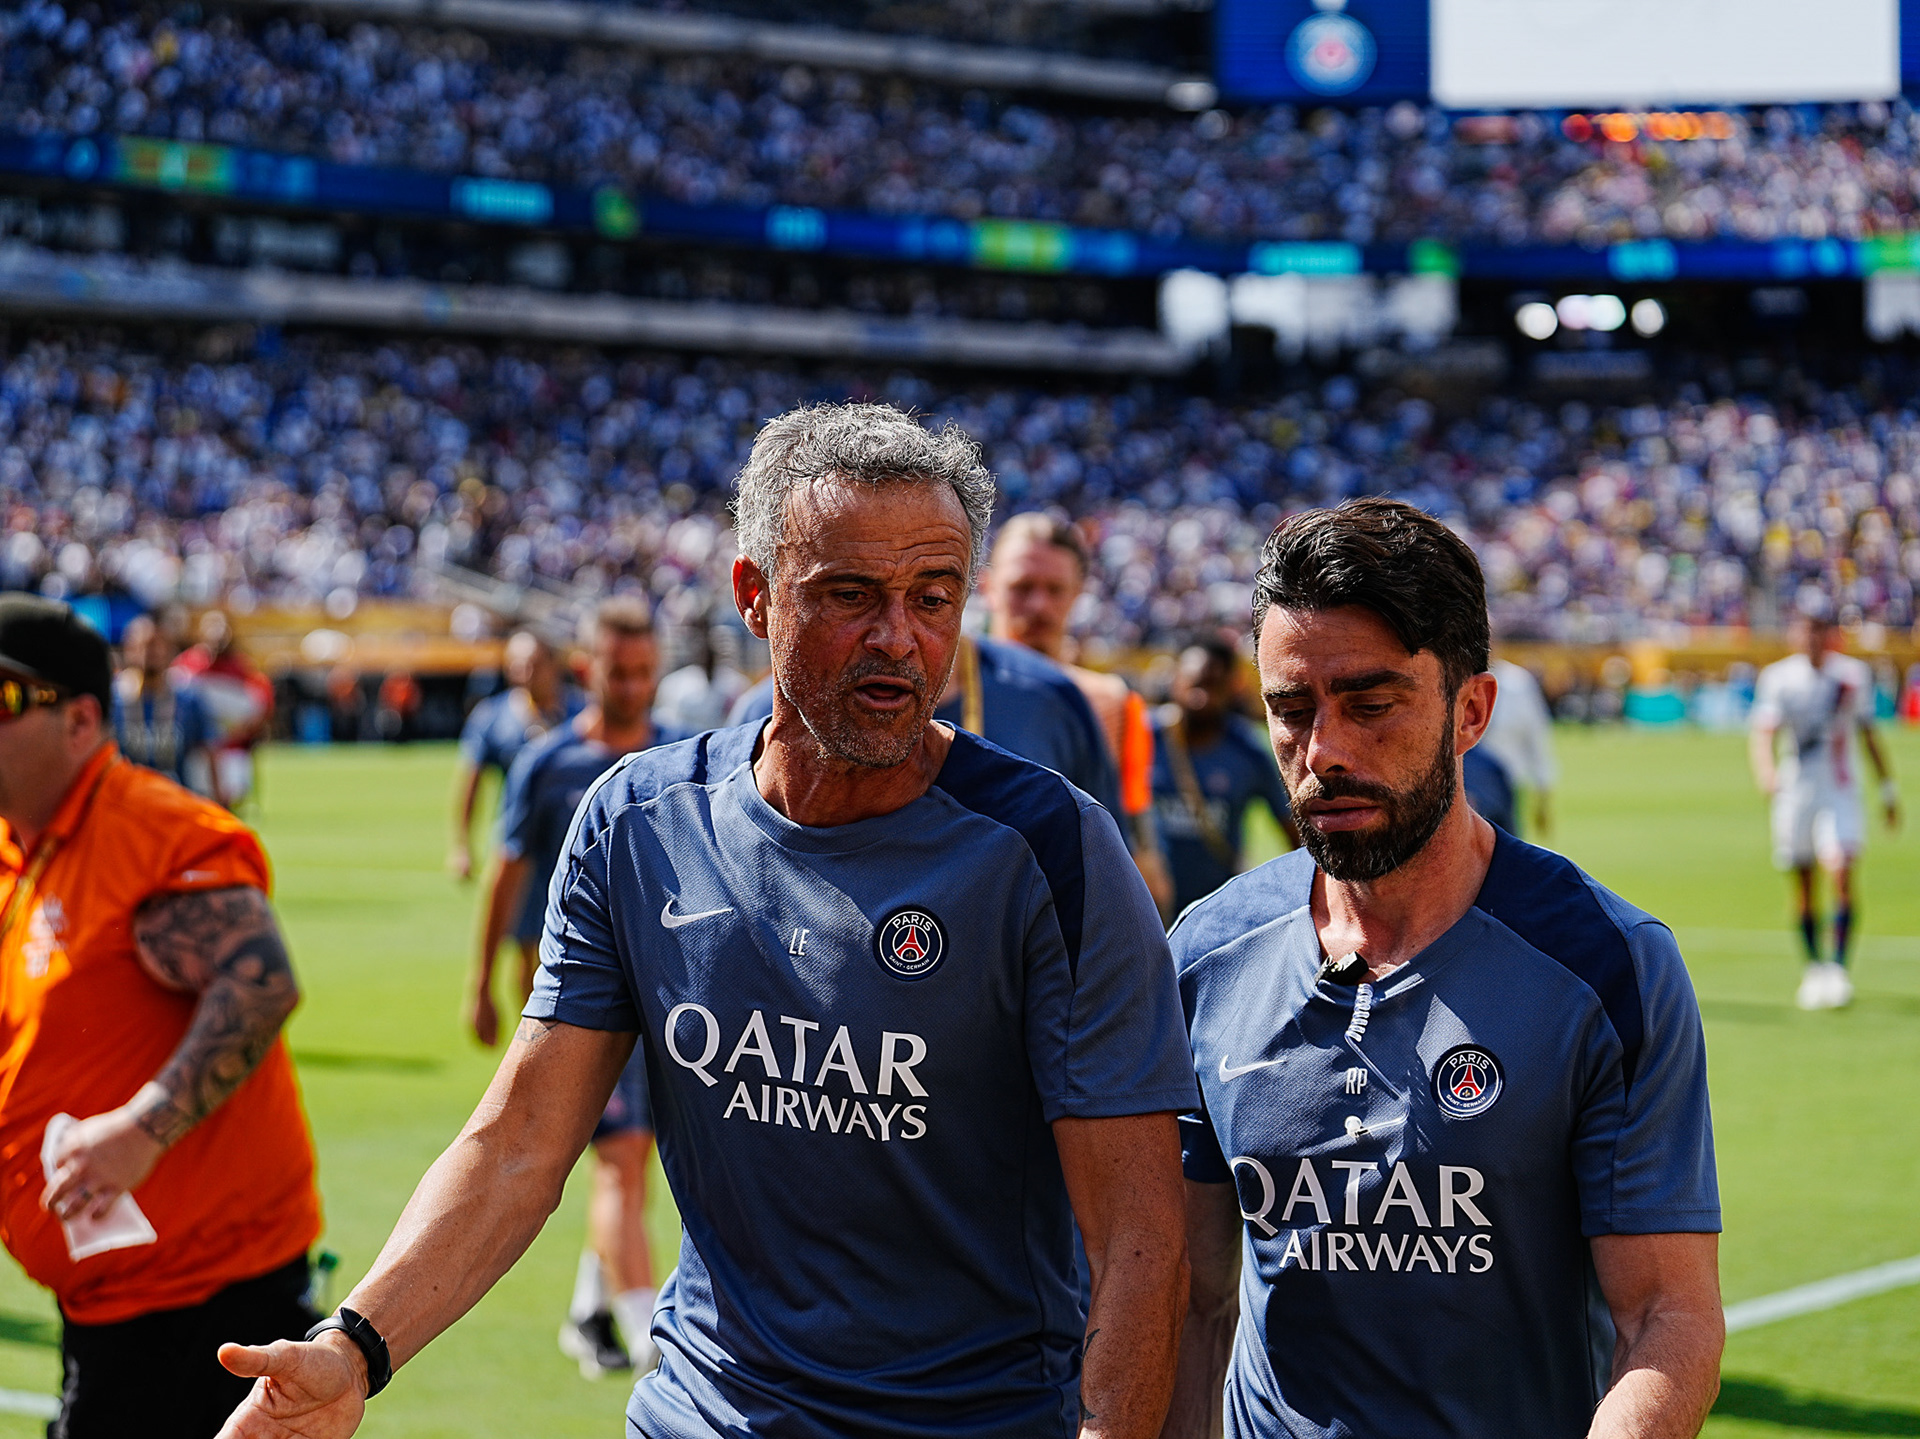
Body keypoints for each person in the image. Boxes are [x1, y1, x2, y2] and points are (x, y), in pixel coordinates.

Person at [217, 402, 1195, 1439]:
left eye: (933, 596)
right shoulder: (639, 821)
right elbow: (520, 1143)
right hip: (704, 1413)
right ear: (753, 595)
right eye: (850, 594)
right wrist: (354, 1347)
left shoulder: (1054, 851)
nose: (898, 637)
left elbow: (1141, 1239)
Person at [1163, 499, 1723, 1439]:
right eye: (1290, 711)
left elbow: (1668, 1318)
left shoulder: (1607, 966)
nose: (1323, 754)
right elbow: (1186, 1298)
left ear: (1472, 711)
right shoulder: (1203, 955)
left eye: (1371, 705)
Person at [0, 596, 322, 1438]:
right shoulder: (18, 849)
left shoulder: (152, 832)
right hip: (107, 1298)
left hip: (204, 1311)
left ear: (78, 719)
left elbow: (260, 981)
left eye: (2, 700)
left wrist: (145, 1126)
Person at [472, 597, 682, 1380]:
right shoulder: (549, 763)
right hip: (580, 1003)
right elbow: (509, 869)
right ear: (588, 669)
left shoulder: (681, 758)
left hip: (668, 997)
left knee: (641, 1162)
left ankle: (589, 1310)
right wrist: (483, 982)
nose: (630, 685)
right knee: (620, 1161)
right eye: (617, 671)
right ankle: (652, 1344)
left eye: (642, 671)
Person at [982, 512, 1173, 911]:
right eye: (1022, 587)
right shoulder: (948, 691)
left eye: (1055, 589)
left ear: (1078, 593)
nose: (1039, 605)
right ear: (987, 587)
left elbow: (1136, 835)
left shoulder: (1113, 702)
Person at [1748, 608, 1900, 1010]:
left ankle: (1838, 968)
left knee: (1842, 873)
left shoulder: (1851, 676)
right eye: (1804, 630)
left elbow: (1868, 734)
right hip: (1796, 793)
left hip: (1840, 791)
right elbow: (1764, 733)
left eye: (1818, 630)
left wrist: (1887, 790)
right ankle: (1814, 967)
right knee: (1803, 883)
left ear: (1830, 635)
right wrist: (1766, 773)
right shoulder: (1779, 678)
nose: (1810, 638)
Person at [1150, 636, 1295, 917]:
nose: (1200, 697)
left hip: (1217, 913)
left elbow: (1295, 832)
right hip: (1144, 908)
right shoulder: (1141, 739)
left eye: (1212, 687)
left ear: (1232, 688)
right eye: (1194, 685)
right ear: (1175, 681)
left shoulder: (1248, 752)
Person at [448, 629, 572, 881]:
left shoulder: (584, 714)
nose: (522, 673)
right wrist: (462, 846)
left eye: (532, 665)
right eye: (515, 665)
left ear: (552, 665)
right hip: (518, 844)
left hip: (573, 840)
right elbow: (472, 781)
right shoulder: (492, 716)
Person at [112, 614, 220, 802]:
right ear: (128, 649)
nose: (149, 652)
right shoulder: (113, 700)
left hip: (175, 802)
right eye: (142, 645)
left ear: (169, 649)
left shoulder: (188, 700)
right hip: (125, 803)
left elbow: (208, 752)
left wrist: (216, 800)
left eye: (156, 644)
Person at [173, 612, 274, 809]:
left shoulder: (241, 668)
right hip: (197, 750)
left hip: (231, 749)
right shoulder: (186, 666)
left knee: (231, 794)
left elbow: (259, 707)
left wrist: (240, 730)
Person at [1476, 656, 1557, 838]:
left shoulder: (1519, 684)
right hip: (1466, 786)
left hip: (1509, 787)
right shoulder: (1454, 676)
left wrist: (1543, 798)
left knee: (1506, 853)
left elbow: (1537, 739)